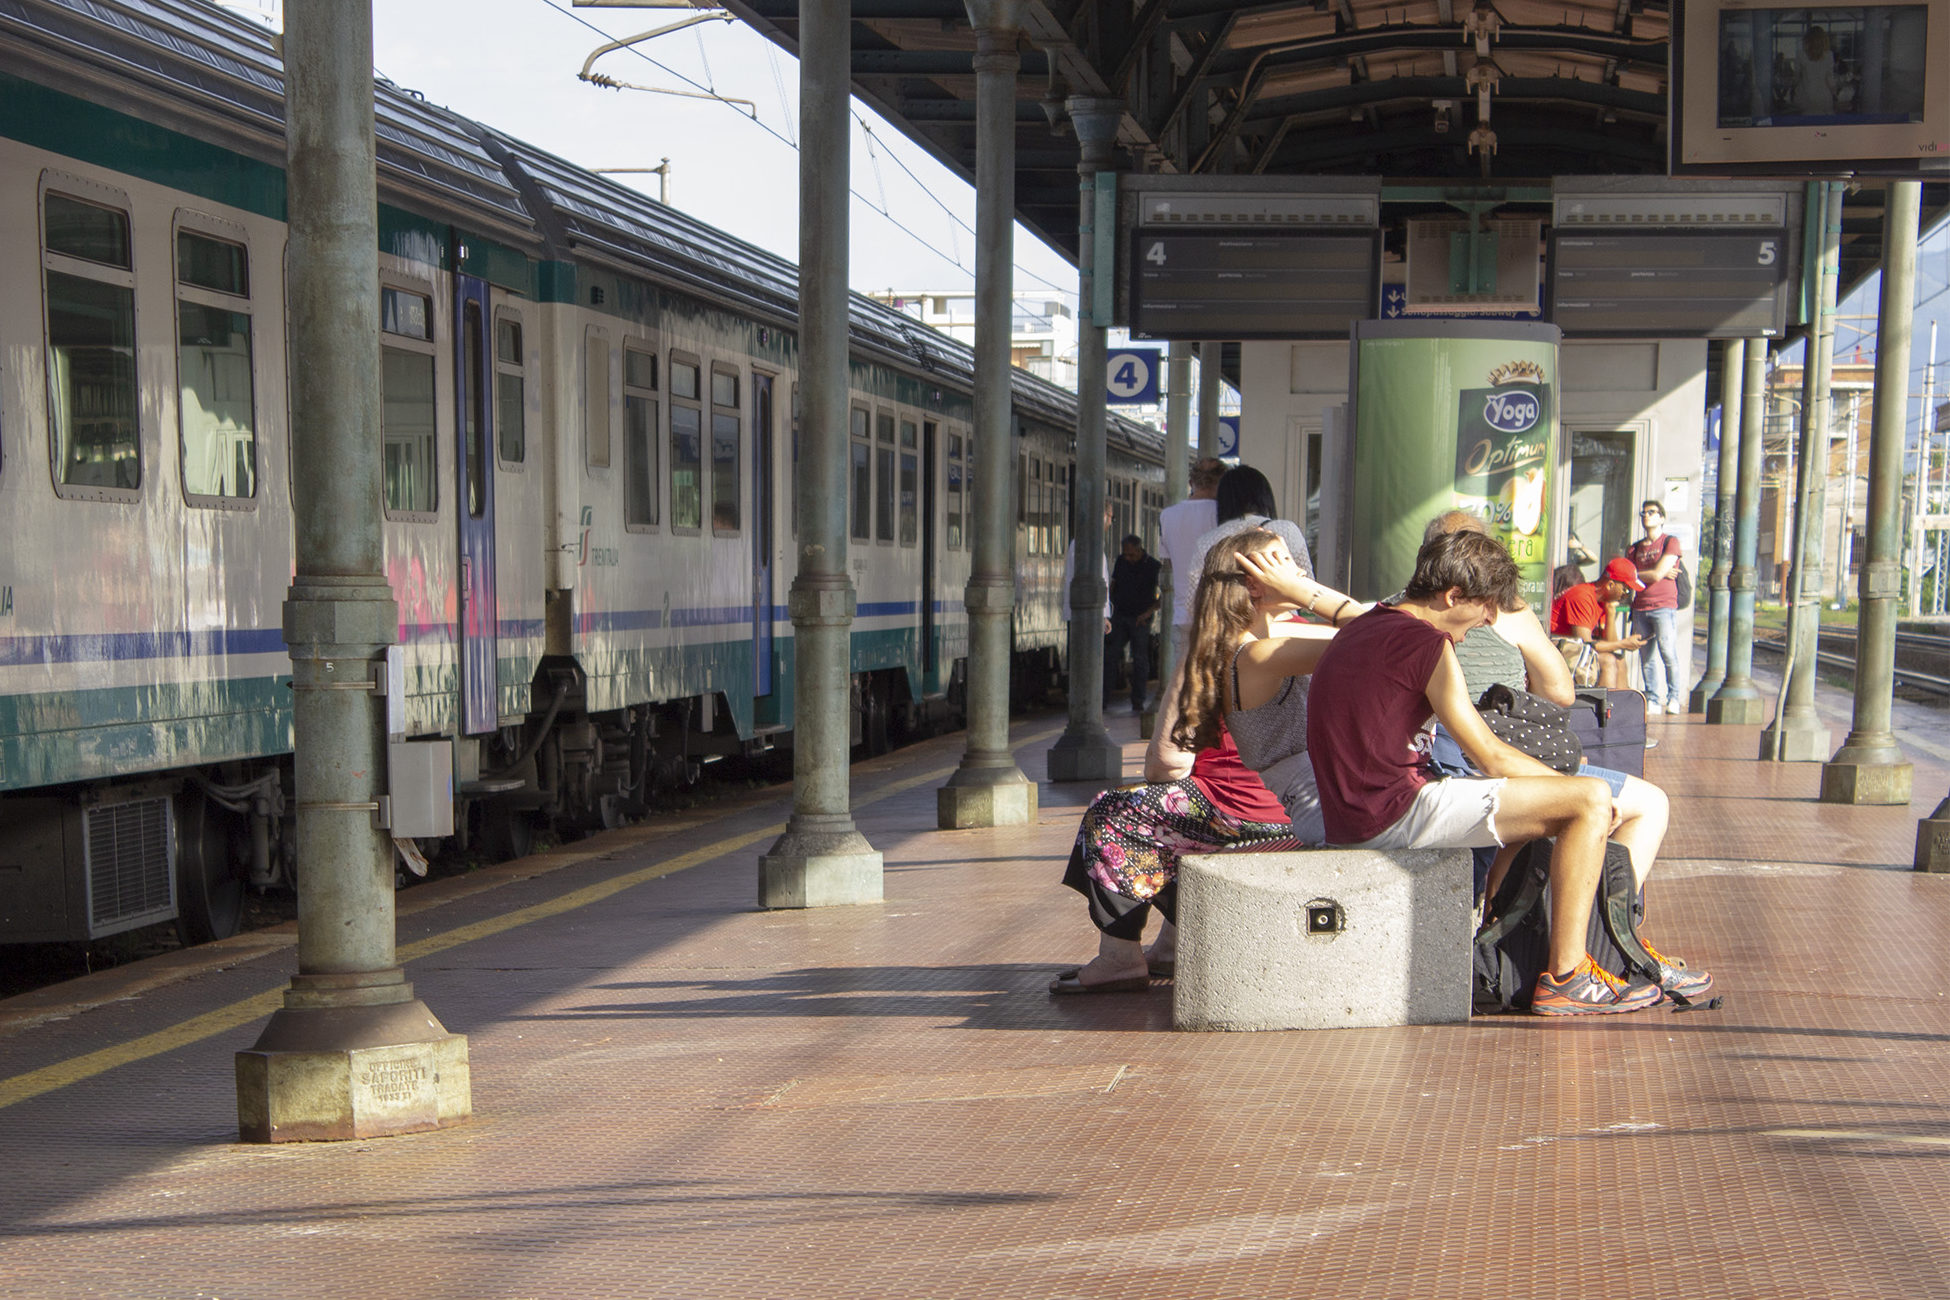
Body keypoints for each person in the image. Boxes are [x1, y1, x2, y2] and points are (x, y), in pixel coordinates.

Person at [1296, 530, 1711, 1015]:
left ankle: (1520, 940)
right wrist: (1578, 791)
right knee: (1589, 802)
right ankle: (1568, 976)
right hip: (1391, 813)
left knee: (1540, 808)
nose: (1488, 620)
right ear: (1452, 595)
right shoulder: (1425, 644)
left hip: (1355, 810)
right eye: (1484, 608)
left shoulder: (1366, 625)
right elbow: (1490, 755)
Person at [1419, 513, 1676, 906]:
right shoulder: (1503, 611)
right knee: (1648, 804)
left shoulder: (1393, 611)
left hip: (1435, 773)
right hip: (1481, 769)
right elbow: (1559, 694)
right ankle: (1596, 934)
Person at [1192, 464, 1313, 588]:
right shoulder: (1286, 530)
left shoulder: (1206, 542)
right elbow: (1308, 583)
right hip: (1280, 606)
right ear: (1264, 496)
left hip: (1229, 607)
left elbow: (1193, 598)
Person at [1158, 457, 1225, 663]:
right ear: (1221, 482)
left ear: (1191, 483)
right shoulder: (1225, 514)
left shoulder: (1167, 515)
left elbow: (1167, 560)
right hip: (1220, 612)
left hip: (1183, 613)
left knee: (1185, 681)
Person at [1550, 557, 1646, 690]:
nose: (1625, 595)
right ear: (1610, 585)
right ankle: (1605, 709)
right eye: (1626, 590)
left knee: (1620, 660)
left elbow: (1611, 645)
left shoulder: (1603, 601)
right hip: (1556, 646)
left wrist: (1611, 613)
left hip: (1572, 647)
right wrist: (1623, 643)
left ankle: (1622, 708)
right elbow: (1585, 645)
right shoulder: (1582, 596)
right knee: (1608, 661)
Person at [1627, 500, 1686, 714]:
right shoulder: (1634, 548)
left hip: (1663, 605)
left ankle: (1673, 697)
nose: (1646, 516)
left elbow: (1657, 574)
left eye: (1652, 512)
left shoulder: (1670, 542)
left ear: (1662, 517)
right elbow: (1634, 575)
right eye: (1643, 512)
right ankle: (1652, 697)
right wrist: (1653, 573)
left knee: (1668, 651)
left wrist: (1640, 574)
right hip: (1640, 606)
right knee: (1646, 656)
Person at [1103, 534, 1160, 711]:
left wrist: (1148, 613)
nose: (1128, 558)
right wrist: (1109, 608)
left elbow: (1164, 594)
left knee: (1140, 659)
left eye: (1131, 555)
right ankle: (1102, 699)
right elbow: (1113, 584)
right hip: (1120, 616)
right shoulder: (1121, 562)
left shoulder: (1153, 566)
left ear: (1139, 549)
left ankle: (1138, 700)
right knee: (1111, 656)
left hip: (1140, 619)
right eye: (1125, 555)